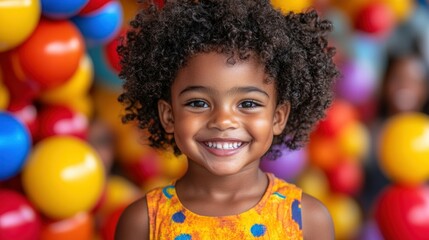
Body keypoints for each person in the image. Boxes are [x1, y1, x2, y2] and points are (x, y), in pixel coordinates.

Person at [115, 0, 339, 239]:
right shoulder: (143, 223)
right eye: (198, 103)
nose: (223, 121)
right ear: (169, 116)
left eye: (248, 104)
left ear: (278, 117)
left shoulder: (307, 220)